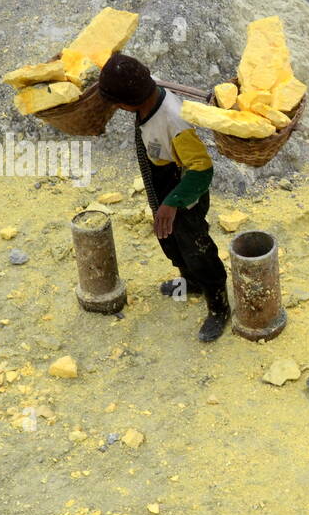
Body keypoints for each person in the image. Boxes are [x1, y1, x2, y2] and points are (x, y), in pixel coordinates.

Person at [97, 54, 230, 342]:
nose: (118, 109)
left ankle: (218, 306)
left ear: (128, 102)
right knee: (171, 241)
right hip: (161, 180)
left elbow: (202, 170)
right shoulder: (145, 90)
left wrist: (172, 202)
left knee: (197, 248)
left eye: (118, 104)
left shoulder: (174, 121)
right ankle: (190, 282)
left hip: (184, 189)